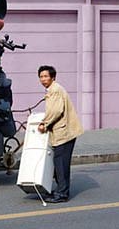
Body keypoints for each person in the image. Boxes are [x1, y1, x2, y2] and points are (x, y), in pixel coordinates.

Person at [37, 65, 84, 203]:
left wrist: (44, 124)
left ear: (53, 77)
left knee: (61, 164)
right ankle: (59, 190)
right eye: (41, 76)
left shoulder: (56, 90)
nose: (43, 79)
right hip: (61, 132)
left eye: (46, 76)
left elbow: (56, 111)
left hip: (64, 133)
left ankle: (62, 194)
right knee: (58, 163)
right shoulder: (52, 90)